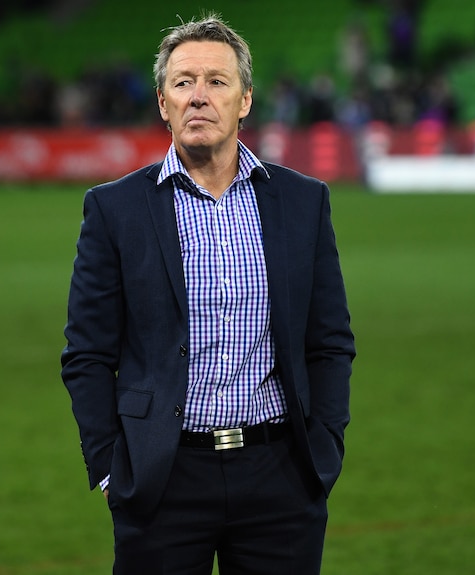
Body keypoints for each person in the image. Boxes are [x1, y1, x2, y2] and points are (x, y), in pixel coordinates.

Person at [60, 13, 356, 575]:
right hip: (162, 479)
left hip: (281, 476)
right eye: (183, 82)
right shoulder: (114, 209)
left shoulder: (303, 201)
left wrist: (324, 447)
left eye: (216, 82)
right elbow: (87, 354)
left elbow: (330, 341)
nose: (199, 96)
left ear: (245, 100)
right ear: (162, 102)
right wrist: (108, 467)